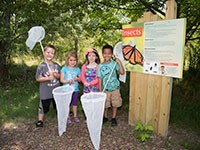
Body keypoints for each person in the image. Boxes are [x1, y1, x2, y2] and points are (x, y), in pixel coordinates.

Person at [98, 44, 125, 126]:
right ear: (102, 54)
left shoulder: (114, 64)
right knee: (105, 104)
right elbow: (100, 78)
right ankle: (105, 117)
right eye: (105, 53)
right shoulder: (100, 66)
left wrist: (119, 63)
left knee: (115, 103)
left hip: (115, 88)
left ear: (112, 54)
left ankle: (113, 118)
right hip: (105, 89)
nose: (107, 55)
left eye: (109, 53)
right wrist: (100, 90)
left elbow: (122, 72)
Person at [35, 44, 61, 128]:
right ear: (44, 53)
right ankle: (40, 120)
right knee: (42, 105)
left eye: (52, 53)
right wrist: (48, 78)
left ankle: (61, 118)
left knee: (58, 104)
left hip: (56, 90)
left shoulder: (56, 65)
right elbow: (38, 78)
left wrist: (56, 75)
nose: (49, 54)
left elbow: (60, 76)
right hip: (45, 91)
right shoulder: (41, 66)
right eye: (48, 52)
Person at [60, 51, 81, 124]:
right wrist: (68, 81)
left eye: (74, 60)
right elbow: (62, 80)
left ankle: (75, 116)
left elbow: (80, 79)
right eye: (71, 60)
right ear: (67, 60)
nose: (73, 62)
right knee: (67, 104)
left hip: (75, 90)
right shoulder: (64, 69)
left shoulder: (78, 69)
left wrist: (77, 79)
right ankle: (67, 117)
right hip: (66, 90)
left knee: (74, 103)